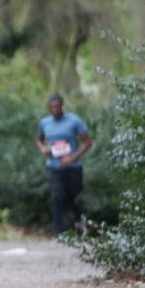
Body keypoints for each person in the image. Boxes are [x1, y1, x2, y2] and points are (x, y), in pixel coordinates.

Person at [35, 94, 92, 238]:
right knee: (57, 197)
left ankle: (79, 225)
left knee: (74, 198)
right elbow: (38, 139)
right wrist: (43, 149)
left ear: (62, 105)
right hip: (54, 167)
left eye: (57, 106)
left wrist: (72, 158)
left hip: (73, 167)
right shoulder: (44, 123)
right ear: (49, 108)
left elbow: (87, 142)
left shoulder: (74, 120)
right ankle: (60, 233)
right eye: (52, 107)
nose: (55, 109)